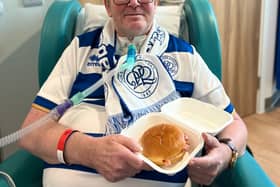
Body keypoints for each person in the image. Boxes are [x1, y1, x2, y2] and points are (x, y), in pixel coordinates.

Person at [19, 0, 248, 186]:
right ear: (107, 6)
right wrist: (89, 151)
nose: (134, 3)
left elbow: (235, 124)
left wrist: (225, 155)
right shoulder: (80, 50)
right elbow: (31, 131)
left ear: (156, 3)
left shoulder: (186, 57)